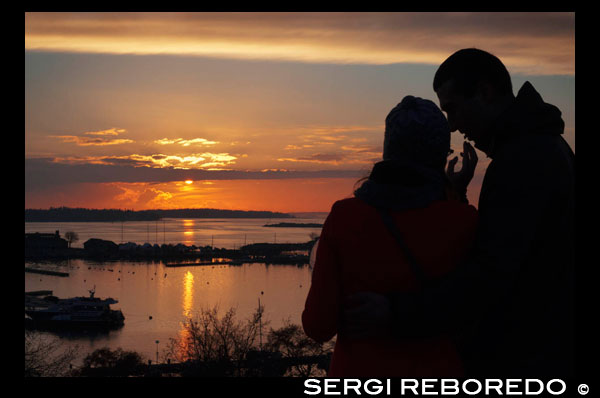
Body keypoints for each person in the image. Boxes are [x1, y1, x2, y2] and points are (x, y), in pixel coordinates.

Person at [342, 48, 575, 377]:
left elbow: (489, 277)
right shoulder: (545, 148)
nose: (452, 125)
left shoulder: (523, 161)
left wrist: (395, 313)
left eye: (452, 109)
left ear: (484, 92)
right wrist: (458, 192)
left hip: (529, 361)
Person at [302, 95, 479, 377]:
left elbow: (317, 326)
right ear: (439, 155)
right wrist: (456, 194)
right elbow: (474, 307)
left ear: (388, 149)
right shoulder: (465, 220)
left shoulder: (345, 217)